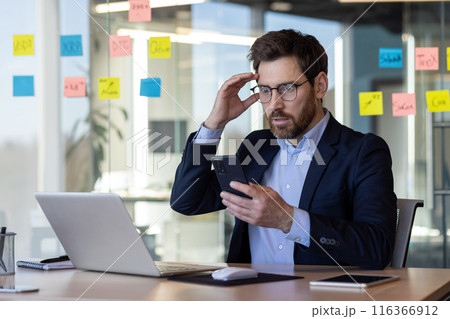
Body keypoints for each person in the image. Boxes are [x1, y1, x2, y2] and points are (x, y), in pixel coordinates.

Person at [170, 29, 397, 269]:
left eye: (288, 88)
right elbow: (186, 201)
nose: (275, 104)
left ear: (320, 86)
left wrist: (289, 220)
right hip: (249, 296)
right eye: (265, 90)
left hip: (317, 300)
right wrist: (214, 125)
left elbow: (377, 248)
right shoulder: (256, 146)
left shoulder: (363, 151)